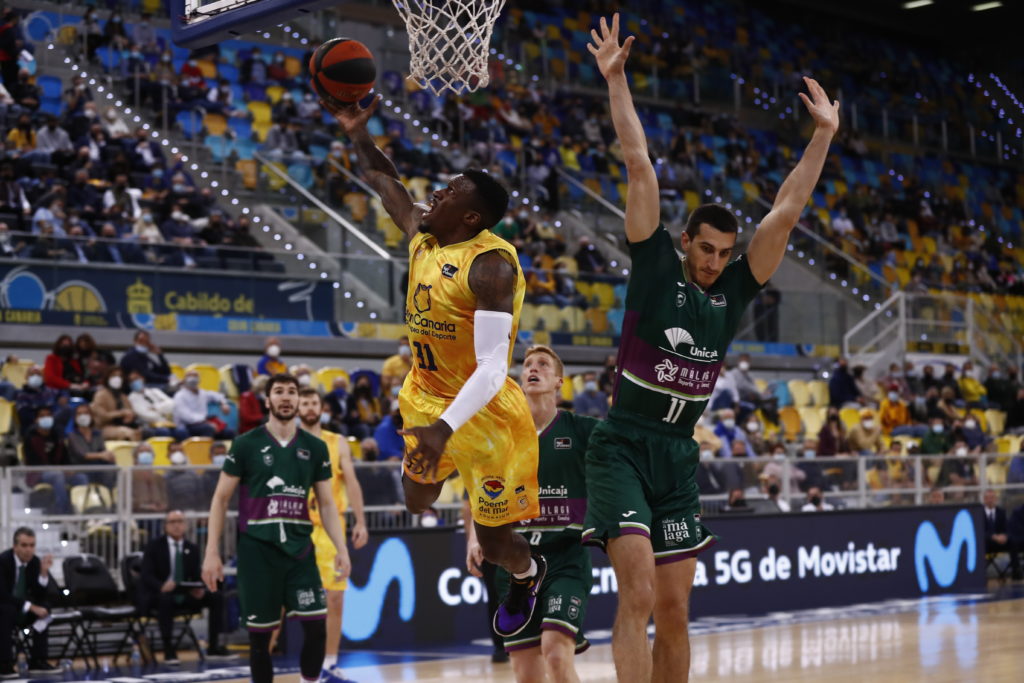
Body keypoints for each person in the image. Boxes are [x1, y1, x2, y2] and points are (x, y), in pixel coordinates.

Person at [581, 15, 839, 681]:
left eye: (723, 253)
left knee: (675, 611)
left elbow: (786, 211)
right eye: (705, 249)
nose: (713, 261)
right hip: (622, 446)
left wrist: (823, 135)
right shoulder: (653, 264)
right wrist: (615, 80)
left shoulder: (735, 290)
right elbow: (638, 161)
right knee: (638, 595)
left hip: (677, 456)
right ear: (685, 241)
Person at [322, 90, 544, 638]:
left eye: (451, 191)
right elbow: (385, 181)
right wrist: (357, 132)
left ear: (470, 216)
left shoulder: (490, 266)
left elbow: (492, 368)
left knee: (494, 545)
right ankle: (443, 465)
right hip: (425, 395)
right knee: (417, 500)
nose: (437, 192)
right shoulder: (425, 233)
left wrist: (445, 430)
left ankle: (528, 574)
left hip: (486, 415)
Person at [202, 374, 350, 683]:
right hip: (258, 552)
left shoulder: (315, 447)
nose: (286, 397)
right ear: (267, 401)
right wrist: (211, 552)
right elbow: (220, 498)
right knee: (260, 640)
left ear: (297, 400)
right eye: (279, 392)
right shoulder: (245, 444)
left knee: (316, 626)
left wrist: (342, 548)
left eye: (291, 392)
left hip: (300, 551)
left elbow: (326, 504)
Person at [467, 345, 597, 682]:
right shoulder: (501, 435)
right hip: (516, 563)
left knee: (556, 652)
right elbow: (478, 490)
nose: (533, 369)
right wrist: (473, 538)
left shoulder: (583, 429)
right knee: (526, 674)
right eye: (527, 365)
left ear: (559, 382)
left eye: (542, 364)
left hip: (566, 558)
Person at [296, 387, 368, 682]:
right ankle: (262, 667)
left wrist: (360, 521)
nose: (310, 408)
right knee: (280, 600)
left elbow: (352, 481)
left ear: (322, 407)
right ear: (297, 408)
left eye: (314, 402)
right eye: (305, 403)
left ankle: (329, 663)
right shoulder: (288, 440)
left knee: (335, 597)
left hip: (330, 527)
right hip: (296, 526)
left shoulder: (337, 442)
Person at [140, 510, 229, 664]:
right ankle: (169, 651)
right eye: (172, 522)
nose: (176, 526)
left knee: (216, 597)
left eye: (180, 521)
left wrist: (198, 588)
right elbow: (146, 575)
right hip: (160, 594)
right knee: (165, 600)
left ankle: (214, 647)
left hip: (184, 593)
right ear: (165, 526)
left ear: (185, 525)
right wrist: (161, 586)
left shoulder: (192, 548)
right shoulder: (154, 546)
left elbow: (196, 575)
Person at [0, 528, 60, 677]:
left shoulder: (34, 562)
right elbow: (2, 594)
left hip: (22, 609)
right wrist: (30, 606)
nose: (29, 550)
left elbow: (39, 594)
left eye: (32, 545)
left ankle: (38, 660)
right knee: (7, 610)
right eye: (24, 545)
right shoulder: (3, 561)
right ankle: (4, 664)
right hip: (5, 608)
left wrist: (44, 573)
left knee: (44, 609)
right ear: (15, 546)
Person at [173, 369, 233, 439]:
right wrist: (206, 422)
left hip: (205, 424)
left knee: (229, 432)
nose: (193, 379)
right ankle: (205, 446)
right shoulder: (180, 396)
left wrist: (223, 403)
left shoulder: (202, 393)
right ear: (184, 379)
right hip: (187, 426)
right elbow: (187, 417)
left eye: (195, 376)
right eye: (190, 376)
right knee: (208, 428)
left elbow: (217, 396)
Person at [90, 367, 141, 441]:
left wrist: (130, 416)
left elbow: (131, 411)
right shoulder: (101, 395)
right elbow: (102, 416)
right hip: (104, 427)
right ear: (108, 377)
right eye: (114, 375)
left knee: (142, 432)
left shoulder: (123, 396)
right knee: (127, 433)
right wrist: (121, 413)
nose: (117, 379)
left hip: (123, 425)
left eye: (120, 376)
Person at [982, 490, 1022, 580]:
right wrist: (993, 537)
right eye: (988, 498)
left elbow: (1007, 528)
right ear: (984, 499)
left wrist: (1005, 536)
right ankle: (982, 574)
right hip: (987, 542)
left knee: (1012, 541)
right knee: (981, 544)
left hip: (1000, 541)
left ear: (996, 499)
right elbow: (980, 530)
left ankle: (1016, 572)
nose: (990, 500)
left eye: (992, 498)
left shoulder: (1001, 512)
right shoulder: (979, 513)